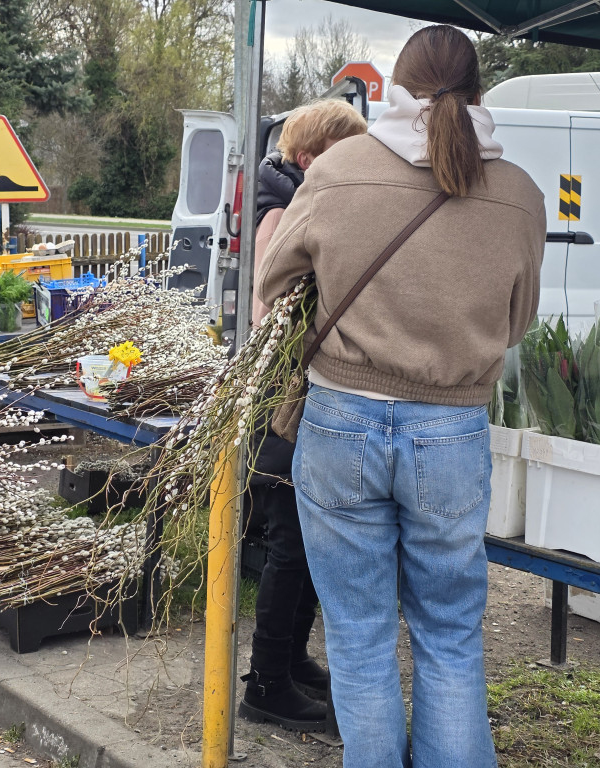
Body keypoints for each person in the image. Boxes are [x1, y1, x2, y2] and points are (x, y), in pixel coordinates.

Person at [256, 26, 546, 768]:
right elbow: (517, 325)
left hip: (342, 420)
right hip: (451, 430)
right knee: (449, 636)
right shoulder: (519, 194)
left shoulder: (340, 169)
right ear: (478, 92)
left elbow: (272, 285)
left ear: (396, 87)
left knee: (358, 636)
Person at [239, 99, 367, 732]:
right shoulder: (286, 210)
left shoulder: (289, 196)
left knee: (305, 540)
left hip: (292, 390)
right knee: (291, 541)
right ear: (315, 156)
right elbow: (276, 303)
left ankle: (289, 660)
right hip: (287, 396)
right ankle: (266, 684)